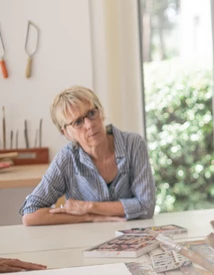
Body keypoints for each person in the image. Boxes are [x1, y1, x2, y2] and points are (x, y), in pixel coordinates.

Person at [20, 86, 156, 226]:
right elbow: (30, 214)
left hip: (132, 236)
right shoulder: (66, 159)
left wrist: (88, 207)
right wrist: (89, 218)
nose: (89, 124)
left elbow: (146, 206)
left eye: (91, 113)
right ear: (66, 133)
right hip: (86, 238)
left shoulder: (133, 144)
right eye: (78, 122)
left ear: (101, 112)